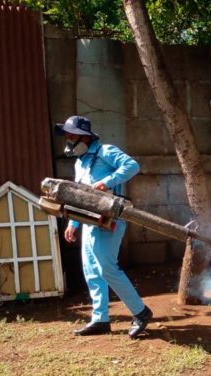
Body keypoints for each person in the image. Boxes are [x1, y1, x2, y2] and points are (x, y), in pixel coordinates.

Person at [54, 115, 153, 338]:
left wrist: (106, 182)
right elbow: (80, 197)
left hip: (110, 221)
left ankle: (141, 312)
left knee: (107, 269)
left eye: (71, 135)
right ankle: (100, 319)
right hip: (90, 222)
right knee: (91, 271)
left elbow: (132, 165)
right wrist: (73, 223)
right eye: (67, 135)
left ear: (84, 137)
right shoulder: (80, 162)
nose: (68, 139)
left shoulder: (105, 151)